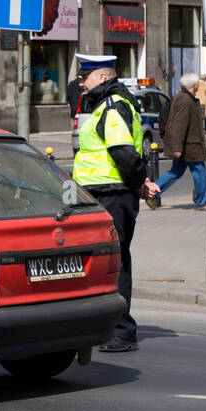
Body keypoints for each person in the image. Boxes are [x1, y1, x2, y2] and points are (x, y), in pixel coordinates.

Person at [72, 53, 161, 353]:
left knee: (116, 261)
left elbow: (123, 152)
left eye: (84, 78)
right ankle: (105, 325)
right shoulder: (108, 105)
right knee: (105, 261)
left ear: (101, 77)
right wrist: (140, 183)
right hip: (104, 194)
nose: (81, 85)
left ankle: (122, 331)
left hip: (111, 196)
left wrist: (139, 183)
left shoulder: (111, 108)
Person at [155, 73, 206, 210]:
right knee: (199, 171)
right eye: (197, 83)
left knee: (175, 172)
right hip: (190, 144)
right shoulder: (185, 100)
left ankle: (152, 193)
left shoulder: (183, 97)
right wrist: (177, 147)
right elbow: (179, 124)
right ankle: (201, 202)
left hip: (187, 143)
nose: (198, 85)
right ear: (194, 85)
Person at [194, 72, 206, 140]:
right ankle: (205, 130)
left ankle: (199, 130)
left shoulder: (196, 85)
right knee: (205, 117)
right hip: (204, 102)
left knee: (198, 117)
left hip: (197, 101)